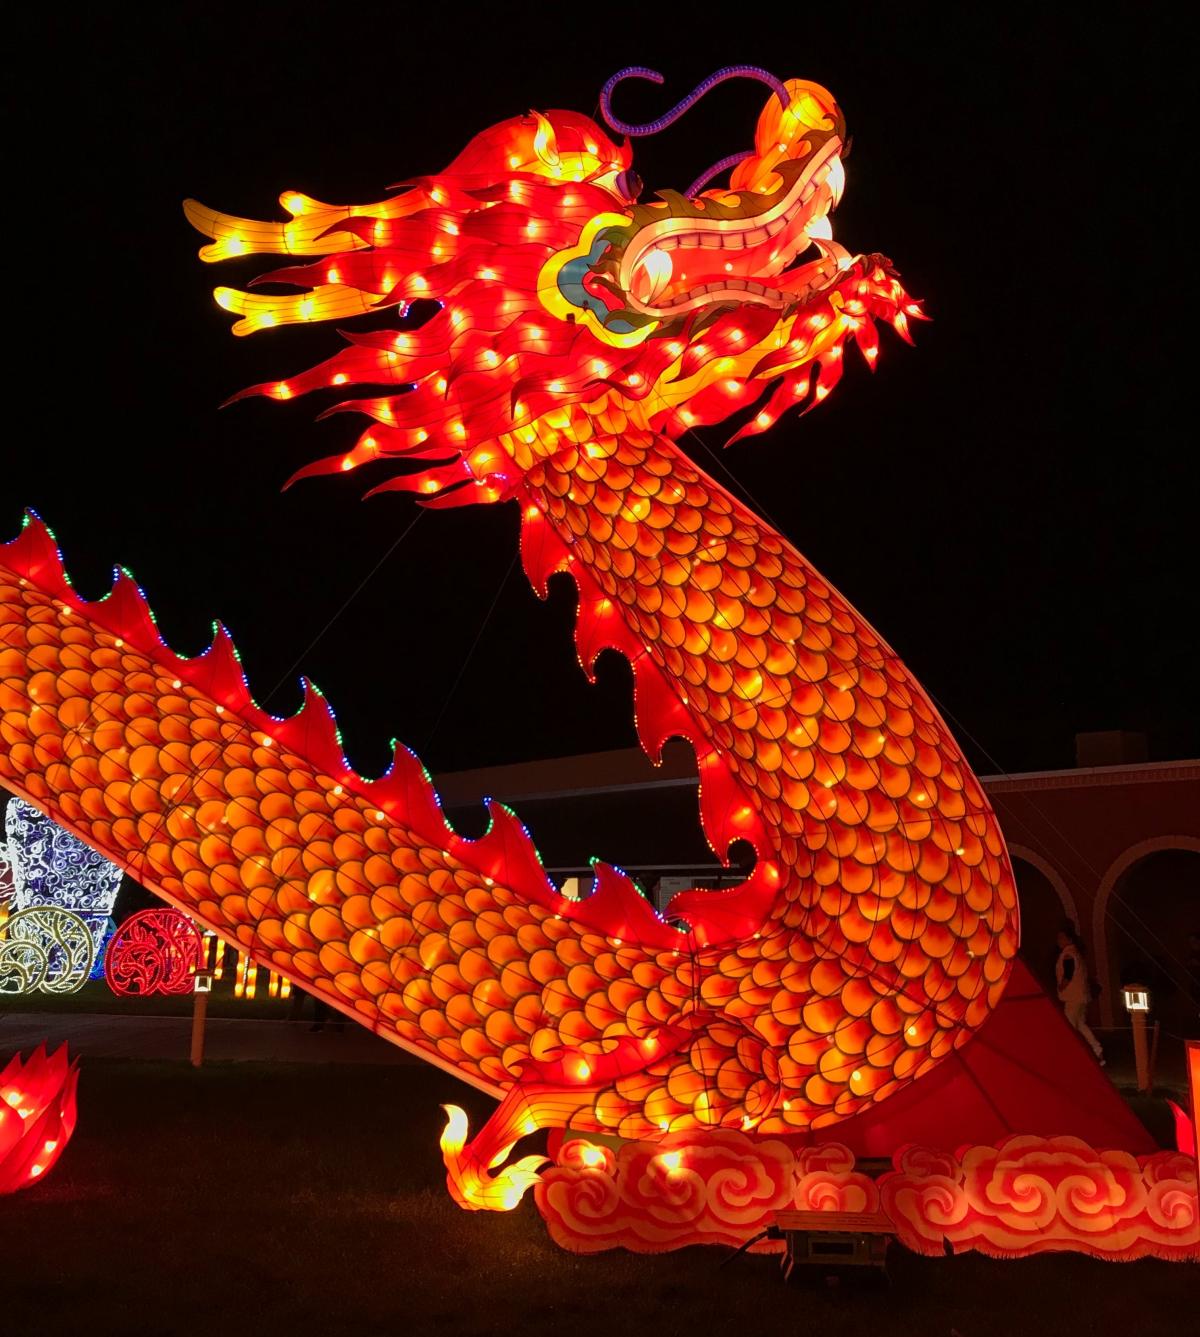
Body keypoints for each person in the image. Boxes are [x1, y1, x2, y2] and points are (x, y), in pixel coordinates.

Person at [1055, 923, 1104, 1064]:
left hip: (1073, 998)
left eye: (1061, 938)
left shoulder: (1068, 954)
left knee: (1068, 1029)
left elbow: (1068, 975)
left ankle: (1071, 1057)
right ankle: (1097, 1050)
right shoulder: (1076, 954)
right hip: (1081, 997)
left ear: (1069, 939)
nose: (1059, 941)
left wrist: (1061, 987)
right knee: (1081, 1025)